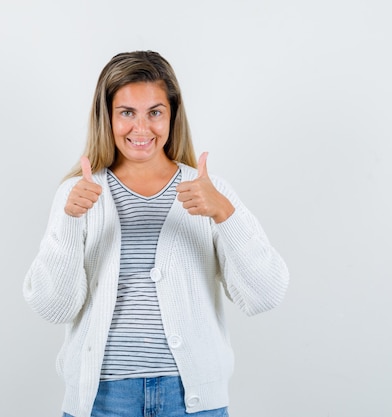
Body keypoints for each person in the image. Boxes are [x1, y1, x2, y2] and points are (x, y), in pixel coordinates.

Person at [23, 51, 289, 417]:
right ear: (108, 116)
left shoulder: (209, 191)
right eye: (127, 112)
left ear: (172, 115)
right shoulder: (78, 194)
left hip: (191, 401)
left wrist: (226, 213)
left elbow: (265, 294)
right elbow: (55, 307)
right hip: (102, 400)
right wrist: (69, 221)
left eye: (155, 112)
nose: (141, 128)